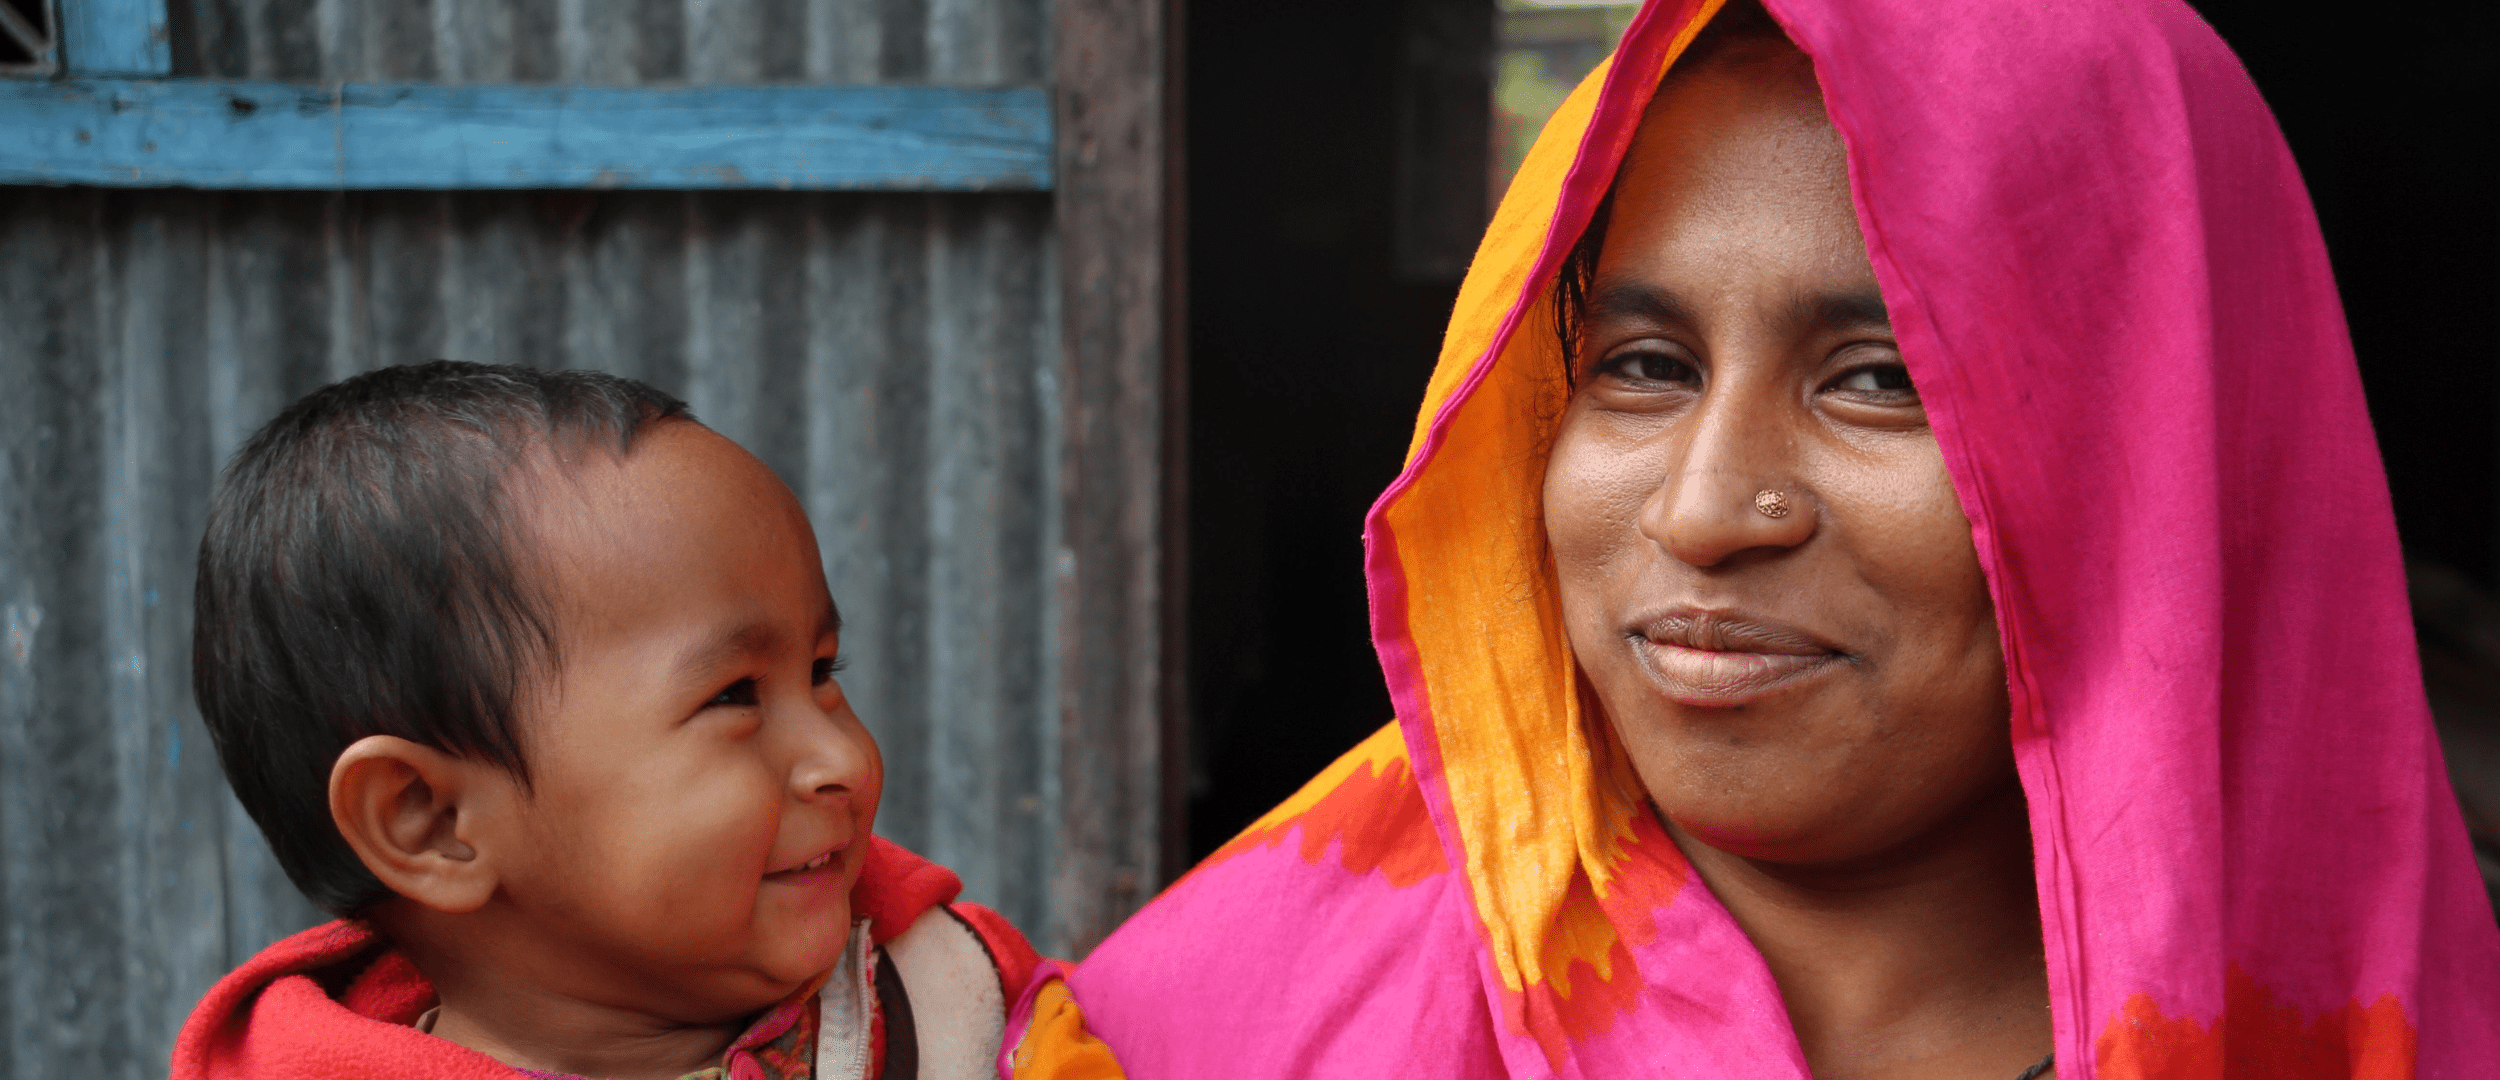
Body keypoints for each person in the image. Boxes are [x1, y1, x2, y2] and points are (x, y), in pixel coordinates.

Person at [1030, 0, 2500, 1076]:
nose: (1704, 509)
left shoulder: (2389, 1030)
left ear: (2169, 454)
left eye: (1881, 380)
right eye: (1642, 366)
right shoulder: (1184, 1041)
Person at [171, 362, 1041, 1080]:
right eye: (734, 695)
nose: (842, 755)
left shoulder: (947, 996)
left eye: (821, 673)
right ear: (429, 821)